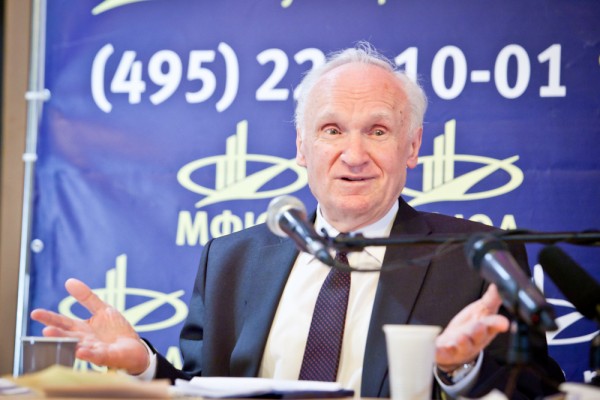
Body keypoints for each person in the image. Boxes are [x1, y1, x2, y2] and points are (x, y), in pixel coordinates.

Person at [31, 42, 564, 398]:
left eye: (377, 131)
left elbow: (538, 389)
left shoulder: (474, 257)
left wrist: (459, 369)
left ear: (412, 146)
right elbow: (202, 388)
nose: (354, 154)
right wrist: (144, 367)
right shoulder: (232, 260)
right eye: (332, 130)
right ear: (302, 147)